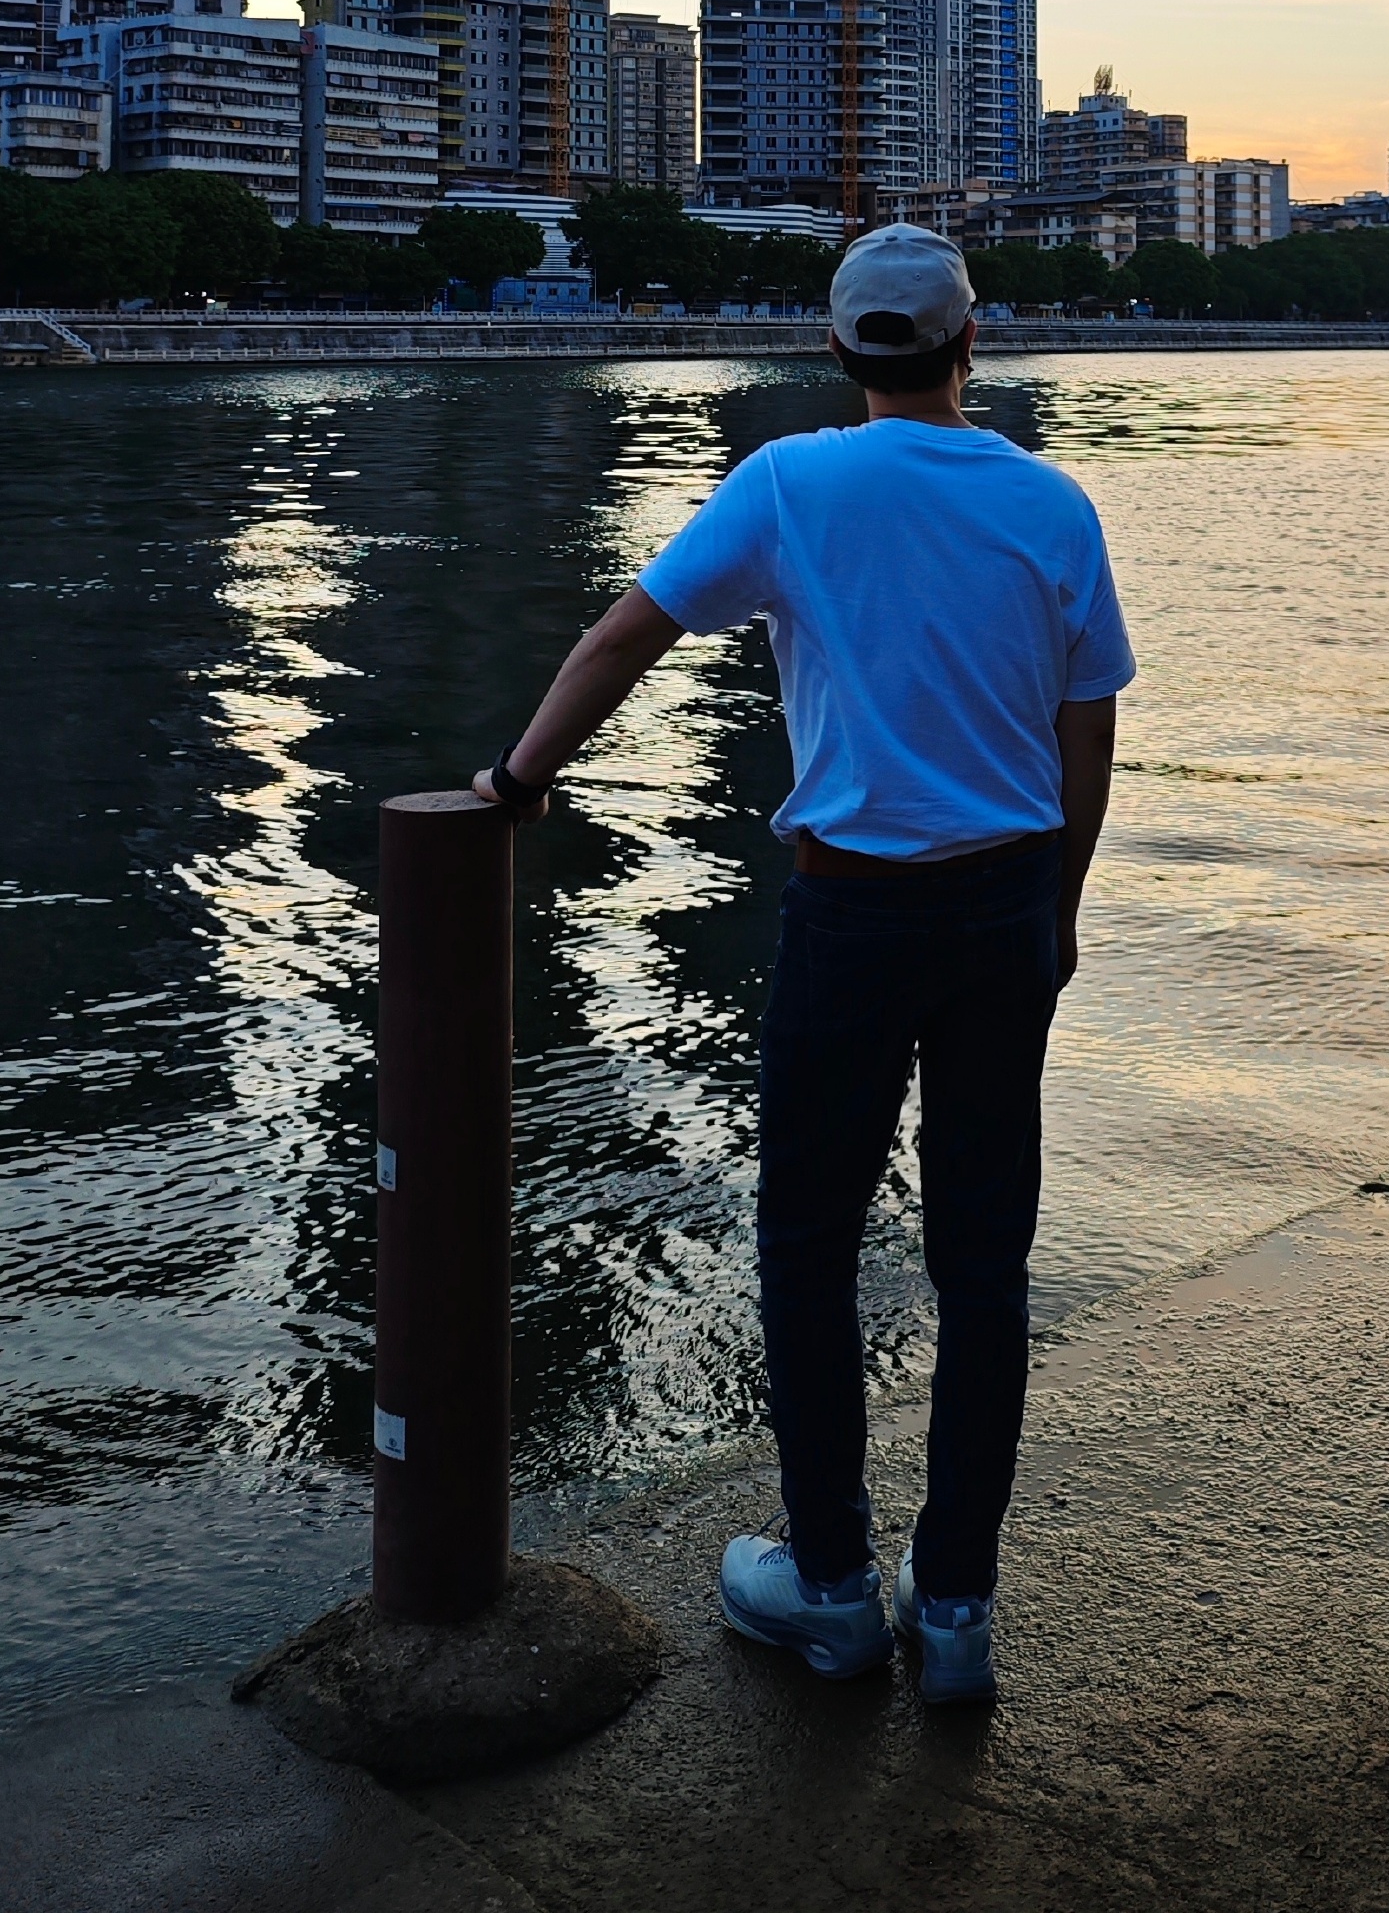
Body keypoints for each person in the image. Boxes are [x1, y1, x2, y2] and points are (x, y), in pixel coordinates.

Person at [474, 222, 1134, 1705]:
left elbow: (619, 639)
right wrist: (1062, 909)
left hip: (850, 915)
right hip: (1005, 908)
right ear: (977, 343)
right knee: (982, 1266)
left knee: (807, 1246)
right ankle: (953, 1611)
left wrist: (516, 787)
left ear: (837, 351)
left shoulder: (788, 485)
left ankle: (829, 1586)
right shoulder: (1052, 503)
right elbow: (1086, 729)